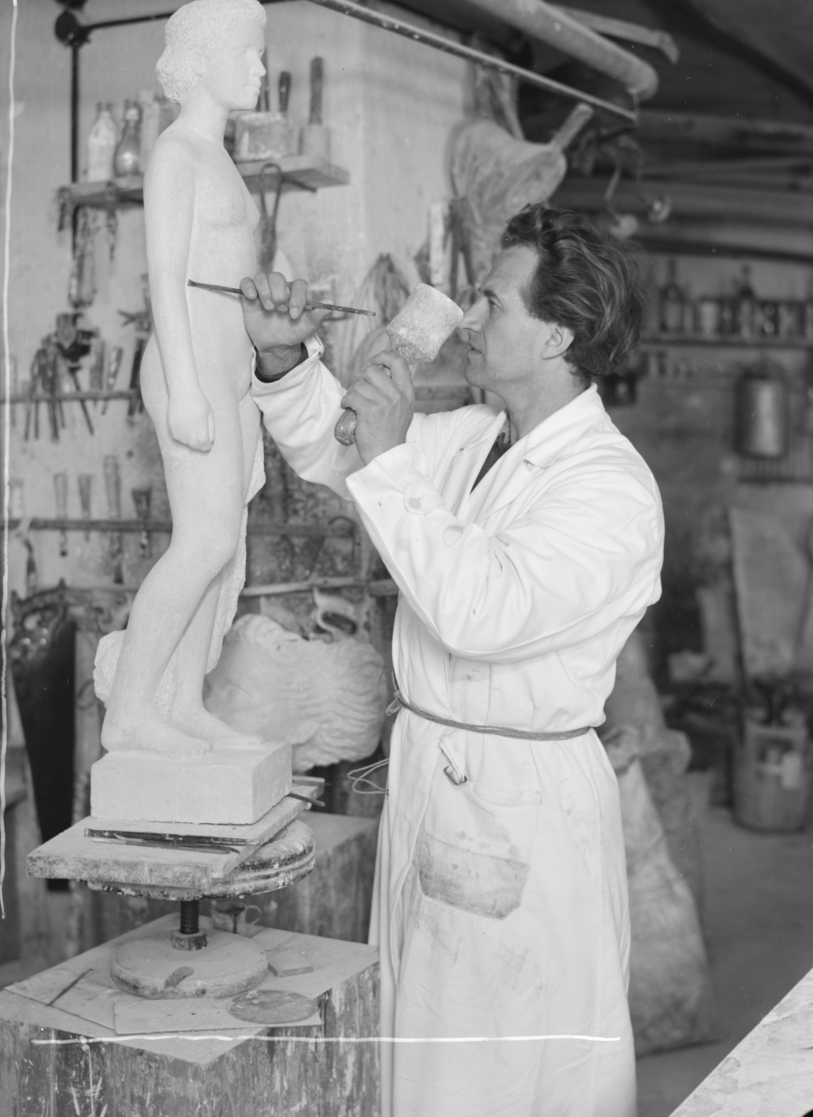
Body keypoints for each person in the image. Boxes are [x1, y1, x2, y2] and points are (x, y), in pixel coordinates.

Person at [240, 203, 664, 1117]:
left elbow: (481, 611)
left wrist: (389, 457)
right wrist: (283, 360)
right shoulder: (477, 438)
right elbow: (343, 453)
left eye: (491, 301)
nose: (466, 317)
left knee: (502, 1061)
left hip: (516, 803)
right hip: (439, 774)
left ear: (556, 335)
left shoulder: (609, 488)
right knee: (427, 1046)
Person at [99, 0, 268, 757]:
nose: (259, 67)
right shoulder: (176, 153)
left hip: (229, 368)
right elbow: (164, 279)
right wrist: (189, 388)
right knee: (202, 541)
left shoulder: (219, 155)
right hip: (188, 362)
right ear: (200, 62)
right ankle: (131, 710)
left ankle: (188, 705)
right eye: (247, 52)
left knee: (221, 547)